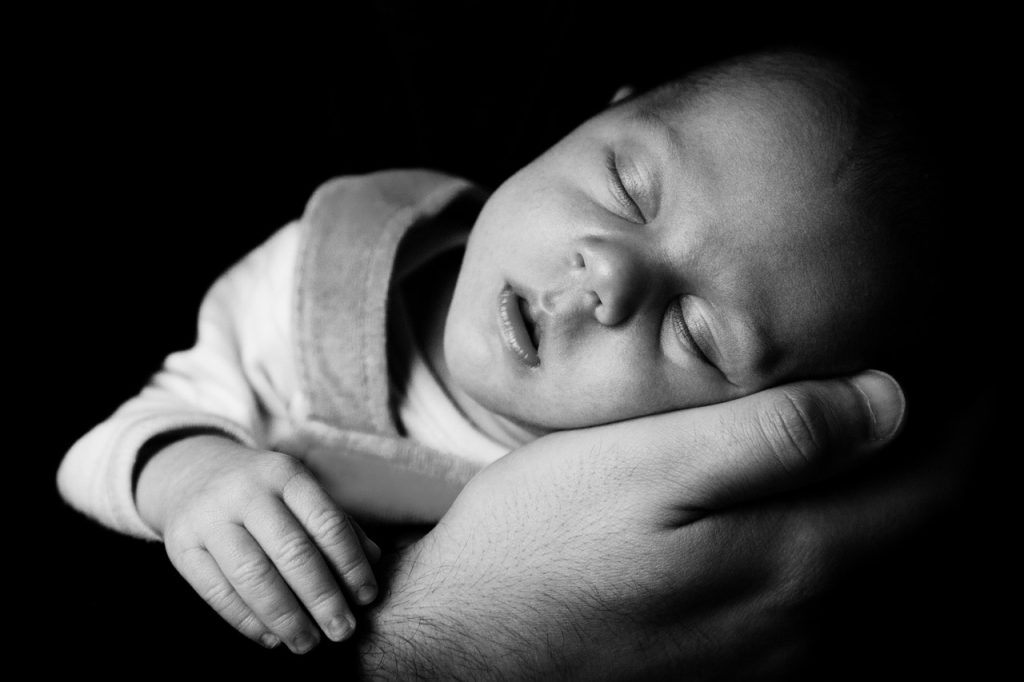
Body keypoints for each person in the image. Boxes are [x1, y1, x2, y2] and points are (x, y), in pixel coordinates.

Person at [56, 46, 950, 663]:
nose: (608, 275)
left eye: (696, 335)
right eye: (627, 186)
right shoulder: (329, 274)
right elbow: (108, 443)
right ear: (593, 117)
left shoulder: (648, 530)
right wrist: (193, 477)